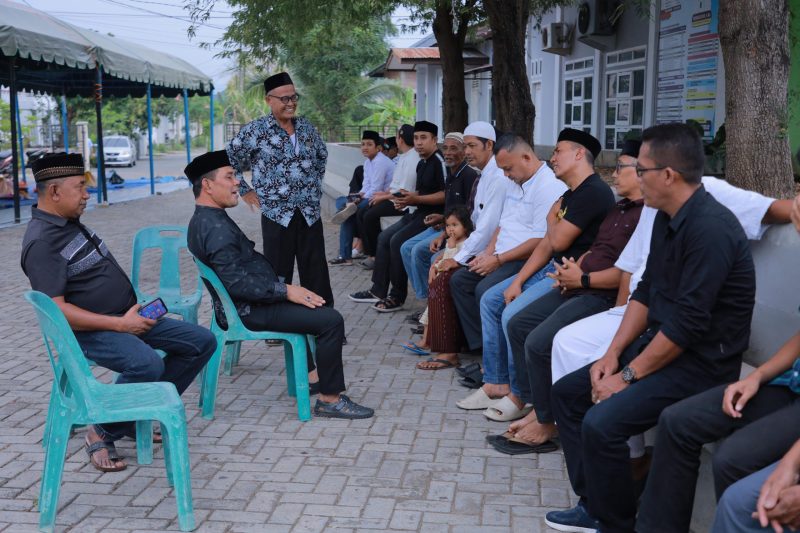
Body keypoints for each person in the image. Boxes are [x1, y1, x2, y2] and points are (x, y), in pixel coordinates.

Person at [545, 123, 757, 533]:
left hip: (701, 364)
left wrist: (627, 375)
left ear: (668, 175)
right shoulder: (665, 216)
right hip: (661, 346)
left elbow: (688, 325)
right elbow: (644, 293)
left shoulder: (710, 229)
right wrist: (611, 355)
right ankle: (598, 505)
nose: (633, 176)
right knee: (568, 393)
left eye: (640, 169)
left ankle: (616, 523)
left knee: (602, 422)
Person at [21, 153, 216, 473]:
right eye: (80, 188)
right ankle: (102, 429)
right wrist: (120, 325)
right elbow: (57, 311)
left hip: (126, 317)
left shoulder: (69, 223)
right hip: (92, 331)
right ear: (54, 192)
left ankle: (136, 411)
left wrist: (129, 316)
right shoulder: (42, 241)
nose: (87, 194)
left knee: (201, 341)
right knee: (146, 363)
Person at [185, 150, 373, 420]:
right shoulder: (214, 228)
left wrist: (285, 290)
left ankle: (314, 376)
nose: (238, 182)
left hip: (249, 303)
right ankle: (330, 399)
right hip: (248, 310)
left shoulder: (206, 219)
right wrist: (286, 291)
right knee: (330, 320)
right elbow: (237, 283)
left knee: (313, 305)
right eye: (229, 177)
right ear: (207, 184)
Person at [487, 139, 643, 451]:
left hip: (598, 292)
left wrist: (581, 277)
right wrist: (573, 270)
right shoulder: (617, 208)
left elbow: (624, 270)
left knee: (539, 341)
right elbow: (594, 250)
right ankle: (537, 406)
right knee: (517, 323)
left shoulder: (639, 213)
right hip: (575, 280)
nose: (614, 174)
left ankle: (547, 421)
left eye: (621, 167)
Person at [455, 128, 613, 412]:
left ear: (579, 154)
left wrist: (552, 216)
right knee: (496, 300)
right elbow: (546, 244)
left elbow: (556, 240)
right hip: (557, 272)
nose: (552, 158)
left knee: (513, 317)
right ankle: (500, 383)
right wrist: (518, 281)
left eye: (558, 151)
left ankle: (521, 394)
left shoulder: (592, 192)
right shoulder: (570, 192)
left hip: (576, 280)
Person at [226, 72, 333, 307]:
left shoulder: (306, 128)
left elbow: (321, 156)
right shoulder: (256, 131)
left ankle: (322, 320)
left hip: (309, 212)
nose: (291, 103)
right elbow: (229, 156)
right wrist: (244, 190)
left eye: (293, 97)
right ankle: (279, 323)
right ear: (269, 100)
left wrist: (313, 189)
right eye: (284, 99)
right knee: (277, 269)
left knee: (315, 267)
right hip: (276, 213)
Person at [348, 121, 446, 312]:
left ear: (434, 140)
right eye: (416, 138)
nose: (418, 142)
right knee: (384, 237)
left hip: (432, 216)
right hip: (415, 211)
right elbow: (417, 191)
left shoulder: (437, 161)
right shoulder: (422, 161)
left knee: (396, 241)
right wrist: (409, 199)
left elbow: (445, 194)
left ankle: (397, 296)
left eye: (423, 138)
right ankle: (378, 290)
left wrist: (412, 199)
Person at [400, 132, 477, 301]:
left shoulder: (469, 176)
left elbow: (466, 216)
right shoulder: (451, 174)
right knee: (405, 248)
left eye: (453, 149)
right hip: (444, 226)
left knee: (420, 251)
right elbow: (452, 210)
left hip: (457, 232)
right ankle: (426, 298)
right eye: (445, 148)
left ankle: (433, 301)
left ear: (464, 151)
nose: (448, 153)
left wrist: (445, 232)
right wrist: (441, 218)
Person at [401, 205, 473, 357]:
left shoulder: (466, 243)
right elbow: (443, 256)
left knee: (431, 312)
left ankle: (426, 342)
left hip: (450, 283)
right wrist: (434, 265)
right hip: (440, 280)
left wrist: (451, 248)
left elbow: (451, 261)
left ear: (466, 227)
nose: (451, 229)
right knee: (430, 312)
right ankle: (426, 341)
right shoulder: (452, 241)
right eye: (448, 226)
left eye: (455, 225)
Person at [358, 124, 419, 269]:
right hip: (393, 198)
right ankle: (370, 252)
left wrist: (383, 197)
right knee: (363, 210)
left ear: (400, 139)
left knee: (368, 214)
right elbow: (394, 186)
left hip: (403, 203)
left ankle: (373, 254)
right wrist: (384, 194)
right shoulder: (403, 157)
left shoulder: (411, 159)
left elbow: (403, 191)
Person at [328, 130, 394, 266]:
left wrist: (358, 200)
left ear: (378, 148)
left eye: (369, 144)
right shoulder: (368, 163)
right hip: (371, 197)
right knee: (344, 202)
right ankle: (346, 208)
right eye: (363, 144)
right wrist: (358, 196)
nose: (365, 147)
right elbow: (366, 187)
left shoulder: (381, 162)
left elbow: (376, 189)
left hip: (384, 198)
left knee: (350, 212)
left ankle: (347, 256)